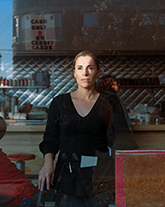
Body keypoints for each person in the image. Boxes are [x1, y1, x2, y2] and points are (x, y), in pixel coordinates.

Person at [38, 51, 116, 207]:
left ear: (98, 72)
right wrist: (48, 164)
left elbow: (118, 139)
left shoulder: (108, 102)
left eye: (90, 68)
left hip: (97, 175)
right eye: (80, 68)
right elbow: (50, 139)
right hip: (66, 174)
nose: (85, 73)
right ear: (74, 72)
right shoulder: (59, 103)